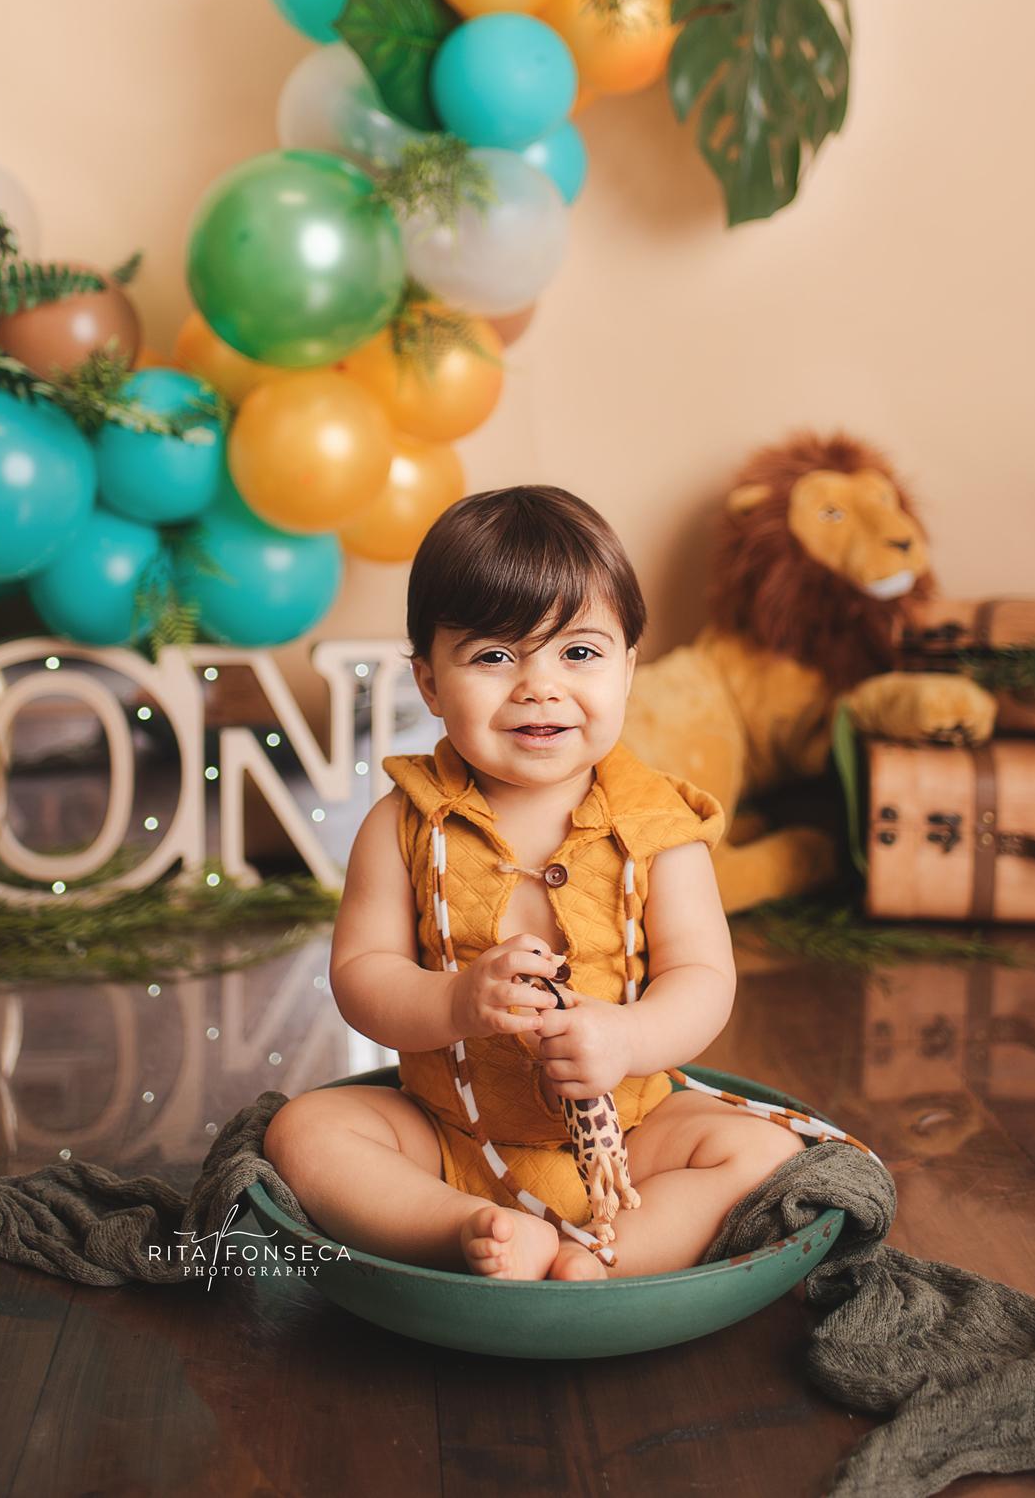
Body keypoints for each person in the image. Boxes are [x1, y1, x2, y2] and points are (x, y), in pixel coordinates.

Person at [265, 486, 800, 1281]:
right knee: (305, 1132)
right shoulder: (405, 823)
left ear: (628, 669)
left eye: (577, 653)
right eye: (493, 656)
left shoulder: (660, 829)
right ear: (429, 683)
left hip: (631, 1138)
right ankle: (465, 1227)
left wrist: (627, 1040)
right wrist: (454, 1002)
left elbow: (703, 980)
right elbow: (361, 977)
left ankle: (608, 1255)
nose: (538, 686)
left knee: (763, 1152)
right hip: (448, 1134)